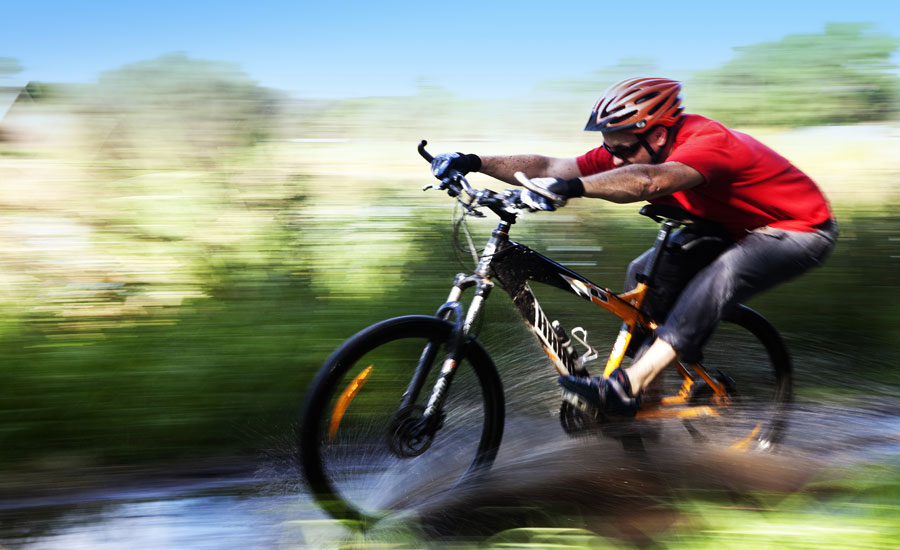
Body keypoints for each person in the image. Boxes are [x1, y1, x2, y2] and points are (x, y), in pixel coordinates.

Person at [430, 77, 837, 417]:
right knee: (642, 278)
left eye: (622, 149)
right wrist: (472, 160)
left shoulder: (709, 141)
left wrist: (572, 190)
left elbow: (649, 181)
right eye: (610, 148)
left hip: (797, 229)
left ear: (659, 134)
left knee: (721, 276)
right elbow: (551, 167)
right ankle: (644, 409)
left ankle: (628, 386)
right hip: (726, 226)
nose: (615, 158)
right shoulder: (629, 147)